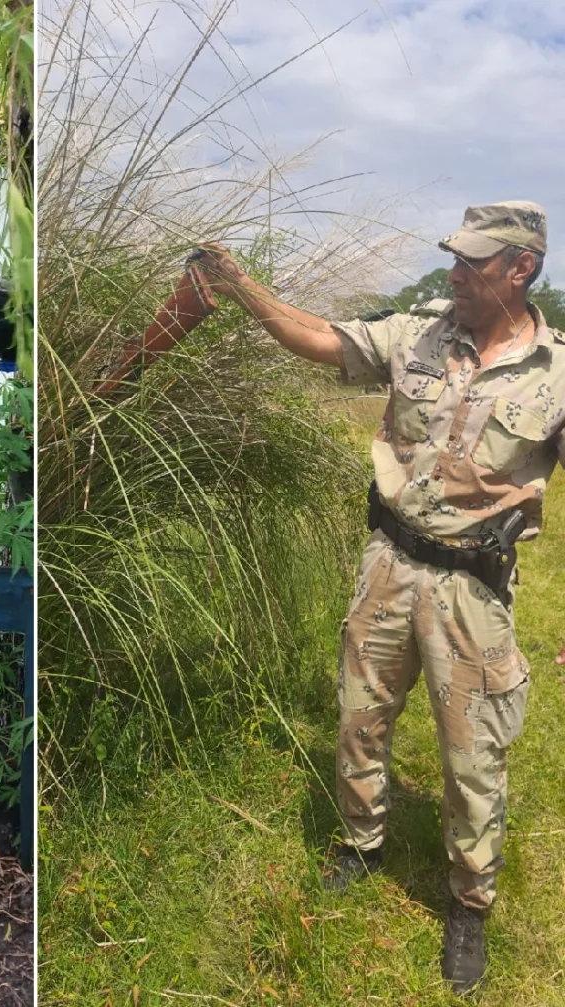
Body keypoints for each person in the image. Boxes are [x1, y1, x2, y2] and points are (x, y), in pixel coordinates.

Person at [195, 203, 565, 995]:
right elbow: (322, 339)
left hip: (473, 589)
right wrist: (242, 289)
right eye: (455, 259)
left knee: (474, 757)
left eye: (474, 262)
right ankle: (363, 842)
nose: (457, 273)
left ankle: (470, 901)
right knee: (359, 713)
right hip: (388, 561)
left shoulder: (556, 373)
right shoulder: (421, 333)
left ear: (519, 270)